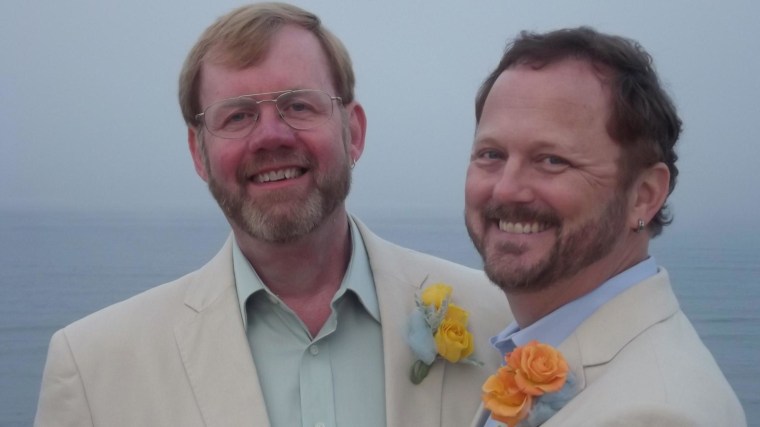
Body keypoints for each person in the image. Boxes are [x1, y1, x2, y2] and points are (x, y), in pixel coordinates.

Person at [34, 3, 509, 427]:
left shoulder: (499, 325)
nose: (270, 136)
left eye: (298, 105)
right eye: (236, 116)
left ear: (354, 133)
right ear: (198, 154)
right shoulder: (93, 369)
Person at [465, 27, 746, 427]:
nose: (507, 188)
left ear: (644, 196)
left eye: (551, 160)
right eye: (490, 154)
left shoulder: (657, 414)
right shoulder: (541, 341)